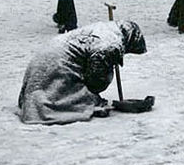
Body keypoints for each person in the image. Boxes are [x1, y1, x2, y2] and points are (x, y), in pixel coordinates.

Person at [18, 21, 146, 124]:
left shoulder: (106, 29)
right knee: (72, 96)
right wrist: (109, 69)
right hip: (57, 66)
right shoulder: (111, 44)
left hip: (44, 62)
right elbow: (96, 81)